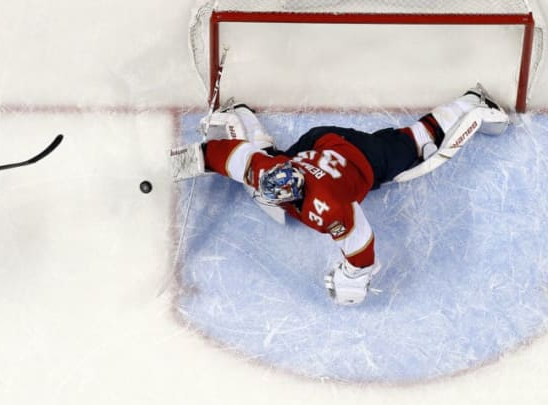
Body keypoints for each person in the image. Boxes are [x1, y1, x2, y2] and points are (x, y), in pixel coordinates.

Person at [193, 83, 510, 306]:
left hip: (365, 157)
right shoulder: (270, 170)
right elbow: (234, 157)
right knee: (263, 170)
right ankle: (239, 112)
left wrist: (355, 276)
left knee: (419, 143)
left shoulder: (327, 207)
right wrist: (200, 157)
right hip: (320, 142)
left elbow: (360, 237)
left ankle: (473, 102)